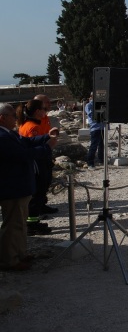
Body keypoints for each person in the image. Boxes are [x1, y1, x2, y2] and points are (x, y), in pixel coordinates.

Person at [0, 102, 58, 270]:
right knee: (12, 225)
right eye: (13, 115)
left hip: (20, 186)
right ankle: (9, 260)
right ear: (2, 118)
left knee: (20, 223)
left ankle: (20, 253)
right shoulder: (2, 137)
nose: (16, 118)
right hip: (12, 187)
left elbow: (26, 142)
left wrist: (46, 137)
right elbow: (23, 154)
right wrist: (47, 148)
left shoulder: (9, 133)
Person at [16, 99, 58, 233]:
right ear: (37, 111)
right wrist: (48, 147)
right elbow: (31, 145)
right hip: (37, 163)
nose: (46, 112)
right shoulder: (31, 127)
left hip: (41, 160)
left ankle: (34, 220)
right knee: (36, 194)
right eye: (44, 109)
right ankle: (31, 224)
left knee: (39, 193)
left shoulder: (35, 123)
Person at [84, 93, 105, 169]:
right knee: (94, 146)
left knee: (101, 145)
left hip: (102, 127)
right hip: (95, 127)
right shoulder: (89, 105)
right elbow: (91, 115)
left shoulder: (101, 104)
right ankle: (90, 163)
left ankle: (101, 160)